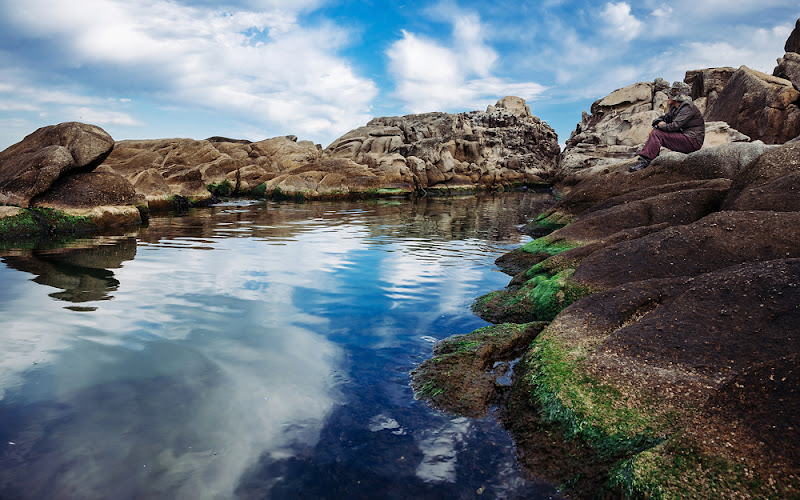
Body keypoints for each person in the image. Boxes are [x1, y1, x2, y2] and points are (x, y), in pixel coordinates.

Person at [629, 81, 705, 172]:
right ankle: (650, 159)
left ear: (677, 95)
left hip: (693, 141)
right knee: (657, 132)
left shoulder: (687, 107)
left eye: (670, 94)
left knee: (658, 134)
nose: (668, 97)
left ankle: (645, 162)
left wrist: (657, 127)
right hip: (686, 138)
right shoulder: (675, 108)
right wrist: (656, 125)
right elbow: (662, 119)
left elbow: (674, 126)